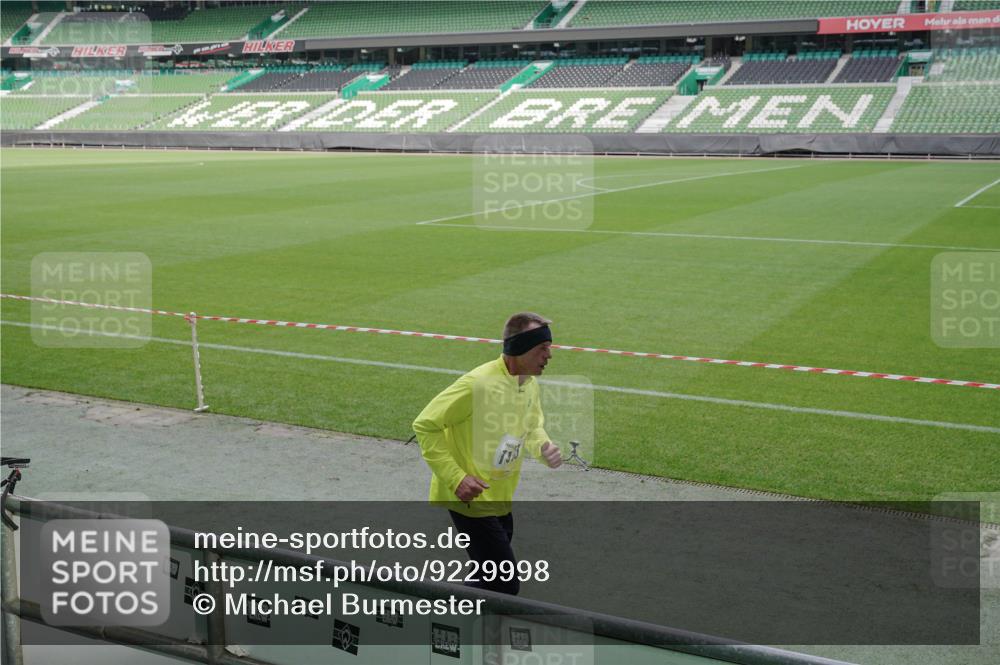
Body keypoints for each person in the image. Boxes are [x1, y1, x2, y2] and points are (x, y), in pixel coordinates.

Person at [412, 312, 562, 595]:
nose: (549, 355)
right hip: (470, 497)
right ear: (519, 348)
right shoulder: (476, 384)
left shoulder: (527, 383)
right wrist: (456, 478)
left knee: (489, 580)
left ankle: (467, 630)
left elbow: (531, 425)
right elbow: (425, 425)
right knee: (504, 583)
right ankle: (431, 608)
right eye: (542, 348)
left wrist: (543, 447)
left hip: (500, 496)